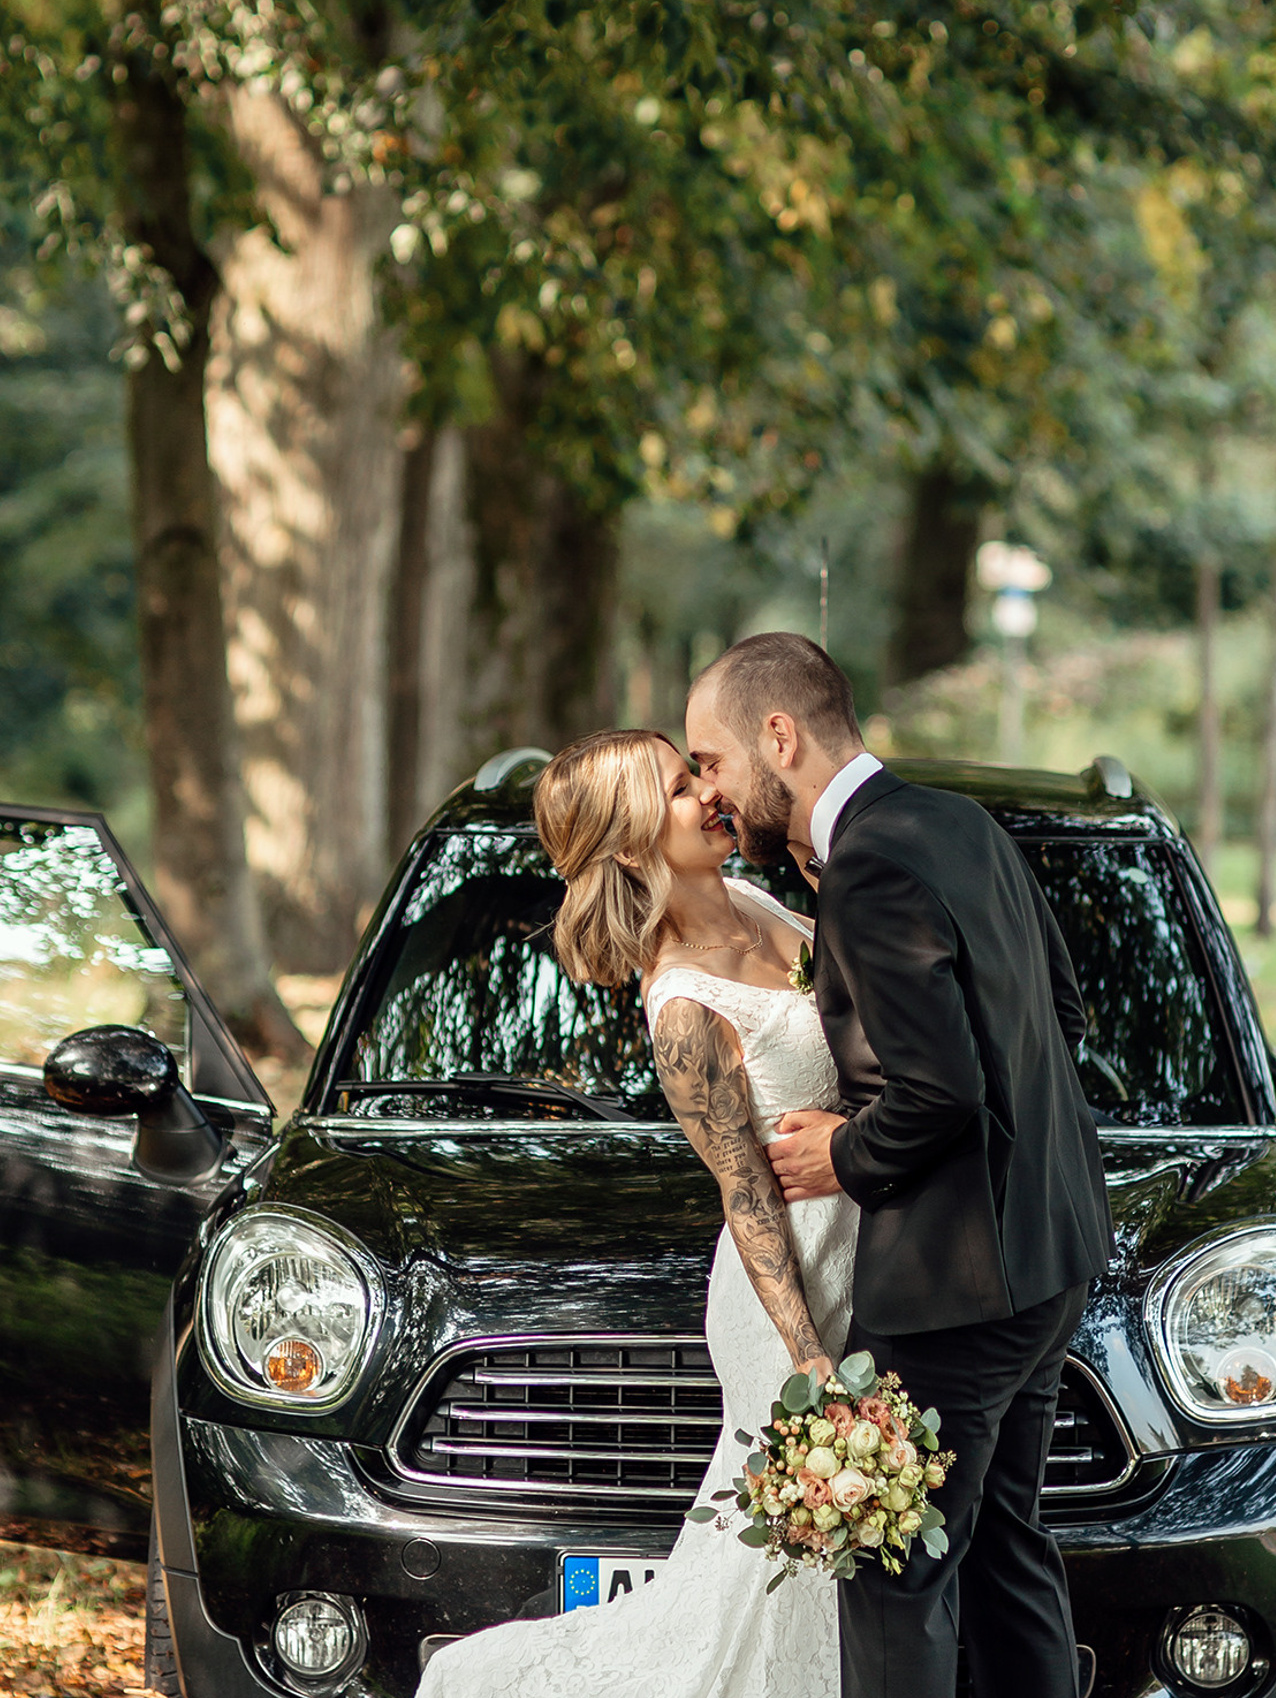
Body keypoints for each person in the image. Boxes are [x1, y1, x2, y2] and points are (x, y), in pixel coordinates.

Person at [686, 632, 1112, 1698]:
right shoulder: (959, 822)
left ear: (779, 736)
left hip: (953, 1288)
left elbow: (938, 1092)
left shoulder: (870, 867)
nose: (712, 791)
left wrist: (842, 1151)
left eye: (713, 761)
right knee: (1006, 1550)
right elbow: (1061, 1018)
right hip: (1052, 1256)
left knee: (893, 1575)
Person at [418, 726, 855, 1698]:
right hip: (788, 1294)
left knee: (809, 1572)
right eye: (679, 787)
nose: (709, 792)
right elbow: (744, 1188)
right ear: (627, 842)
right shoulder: (683, 1006)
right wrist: (807, 1354)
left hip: (858, 1246)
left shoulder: (754, 900)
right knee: (787, 1565)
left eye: (696, 773)